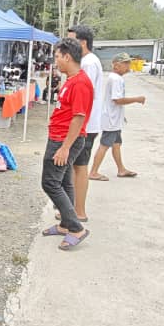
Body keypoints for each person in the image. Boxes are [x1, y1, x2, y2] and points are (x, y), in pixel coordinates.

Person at [40, 38, 91, 251]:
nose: (56, 61)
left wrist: (65, 147)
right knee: (64, 182)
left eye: (57, 57)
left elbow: (78, 117)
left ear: (67, 57)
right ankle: (65, 224)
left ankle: (76, 228)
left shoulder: (80, 83)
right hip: (59, 137)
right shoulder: (71, 79)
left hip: (64, 139)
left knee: (50, 183)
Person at [89, 53, 146, 181]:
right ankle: (93, 172)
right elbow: (117, 100)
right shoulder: (115, 79)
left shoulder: (116, 78)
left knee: (116, 144)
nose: (128, 66)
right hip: (111, 119)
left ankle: (121, 169)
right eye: (126, 63)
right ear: (117, 65)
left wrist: (121, 116)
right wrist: (136, 99)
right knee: (104, 145)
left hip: (114, 118)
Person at [70, 25, 102, 223]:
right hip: (86, 123)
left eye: (71, 40)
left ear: (82, 42)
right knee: (75, 166)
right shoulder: (87, 61)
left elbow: (82, 96)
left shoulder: (88, 63)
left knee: (80, 167)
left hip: (86, 125)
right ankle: (72, 207)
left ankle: (79, 211)